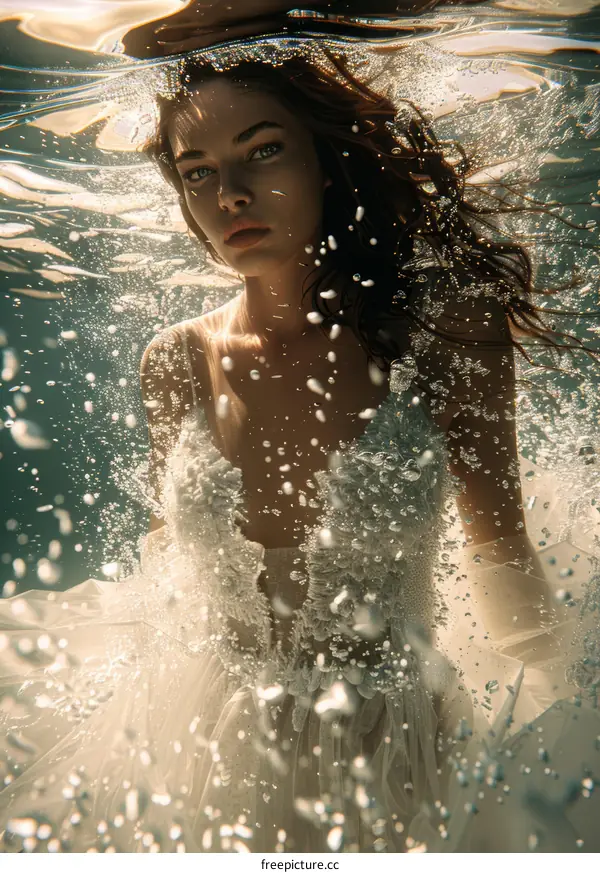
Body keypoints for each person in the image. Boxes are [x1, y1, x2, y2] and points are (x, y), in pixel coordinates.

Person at [0, 23, 598, 857]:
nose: (229, 194)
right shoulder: (173, 359)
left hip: (402, 752)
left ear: (325, 160)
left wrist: (575, 697)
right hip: (202, 746)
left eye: (264, 150)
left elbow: (501, 551)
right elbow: (167, 570)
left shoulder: (449, 329)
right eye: (197, 171)